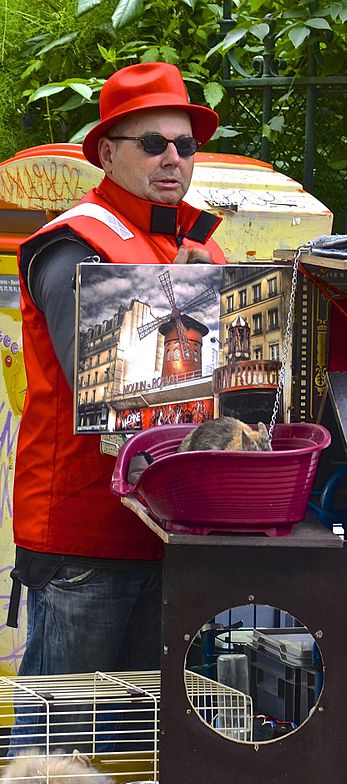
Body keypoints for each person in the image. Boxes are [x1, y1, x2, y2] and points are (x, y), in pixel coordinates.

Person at [6, 62, 224, 685]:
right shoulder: (73, 241)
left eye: (185, 145)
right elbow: (98, 384)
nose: (172, 159)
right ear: (107, 152)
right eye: (152, 144)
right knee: (60, 743)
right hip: (85, 532)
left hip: (172, 529)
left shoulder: (200, 247)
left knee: (148, 739)